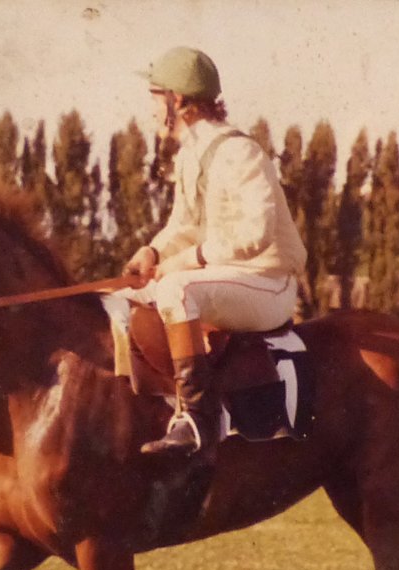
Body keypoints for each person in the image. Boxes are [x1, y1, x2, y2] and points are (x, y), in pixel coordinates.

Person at [118, 46, 307, 455]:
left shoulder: (240, 152)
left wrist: (186, 261)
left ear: (178, 100)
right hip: (228, 279)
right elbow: (185, 225)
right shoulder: (191, 155)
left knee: (177, 290)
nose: (150, 108)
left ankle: (199, 420)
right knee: (126, 298)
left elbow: (255, 233)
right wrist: (152, 251)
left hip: (267, 282)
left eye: (154, 96)